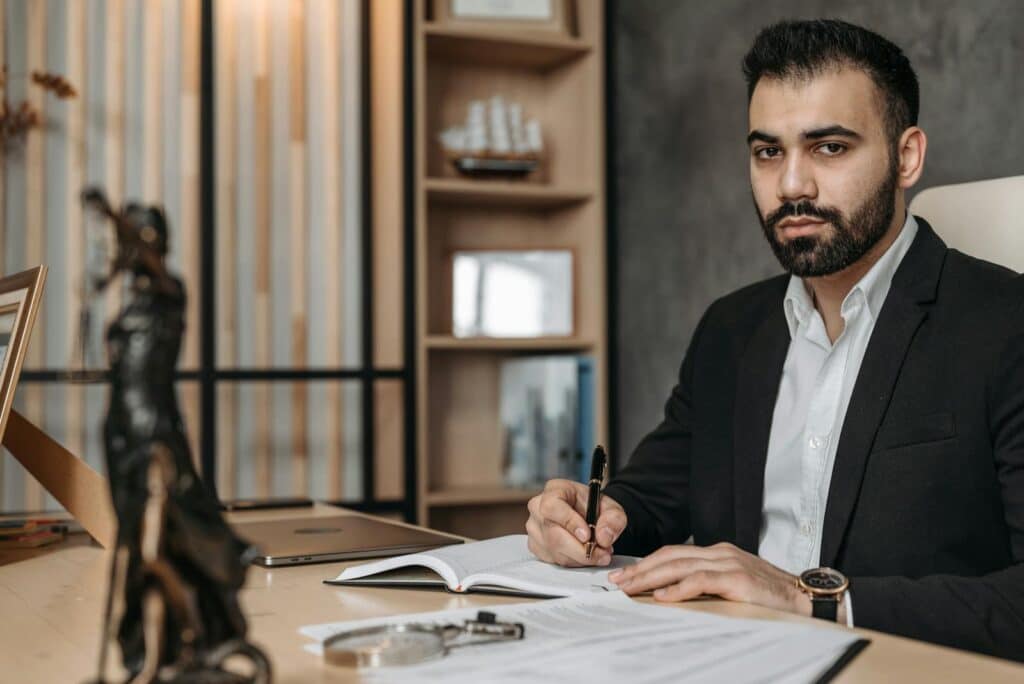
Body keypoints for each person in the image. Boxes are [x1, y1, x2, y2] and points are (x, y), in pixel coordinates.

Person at [525, 19, 1024, 661]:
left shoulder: (1004, 325)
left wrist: (810, 599)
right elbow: (653, 496)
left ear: (907, 157)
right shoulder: (730, 332)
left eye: (830, 148)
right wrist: (588, 516)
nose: (792, 186)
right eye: (769, 152)